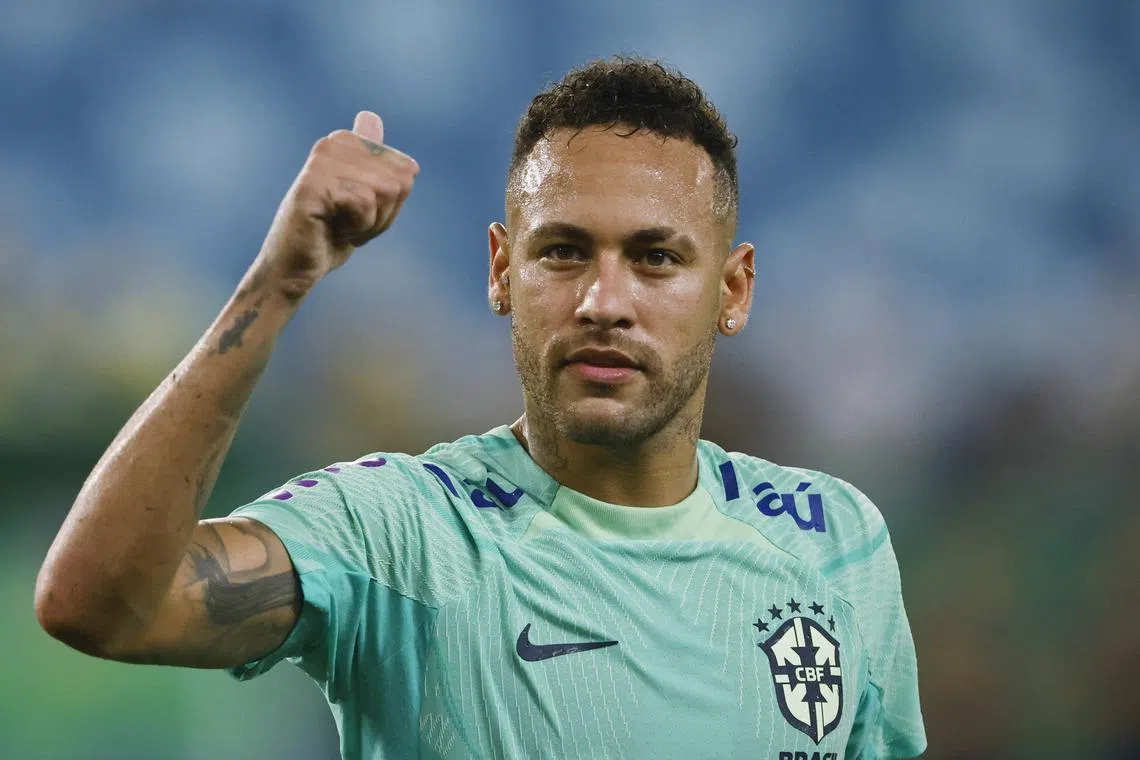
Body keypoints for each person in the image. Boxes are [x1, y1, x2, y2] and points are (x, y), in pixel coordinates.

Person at [35, 57, 926, 760]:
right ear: (504, 272)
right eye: (564, 252)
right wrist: (277, 286)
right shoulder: (400, 533)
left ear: (733, 290)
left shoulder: (835, 542)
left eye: (655, 258)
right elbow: (96, 607)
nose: (602, 301)